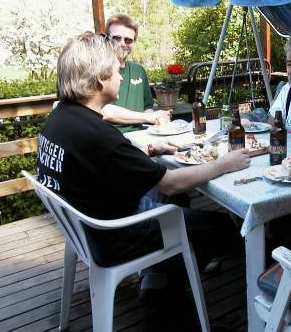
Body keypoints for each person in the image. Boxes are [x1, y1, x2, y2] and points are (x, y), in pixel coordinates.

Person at [36, 32, 250, 305]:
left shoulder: (60, 118)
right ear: (100, 79)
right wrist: (224, 164)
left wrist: (151, 149)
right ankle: (169, 301)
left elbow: (103, 159)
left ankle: (157, 278)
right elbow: (170, 181)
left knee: (176, 201)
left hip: (86, 227)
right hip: (115, 236)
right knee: (218, 225)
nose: (121, 77)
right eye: (116, 70)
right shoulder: (97, 133)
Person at [101, 13, 168, 132]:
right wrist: (148, 117)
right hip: (109, 137)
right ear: (106, 38)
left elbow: (147, 108)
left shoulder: (138, 70)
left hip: (140, 135)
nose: (122, 44)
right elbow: (104, 111)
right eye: (116, 38)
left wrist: (157, 119)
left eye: (128, 40)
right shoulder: (96, 69)